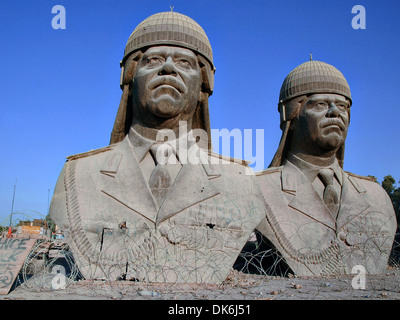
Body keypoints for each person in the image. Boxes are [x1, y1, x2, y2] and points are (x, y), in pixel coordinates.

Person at [50, 11, 265, 284]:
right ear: (130, 77)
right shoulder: (77, 174)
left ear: (203, 86)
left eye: (184, 62)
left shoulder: (240, 180)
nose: (168, 68)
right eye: (153, 60)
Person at [256, 59, 397, 276]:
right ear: (290, 115)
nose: (335, 112)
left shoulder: (377, 196)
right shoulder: (258, 190)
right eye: (320, 104)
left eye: (342, 106)